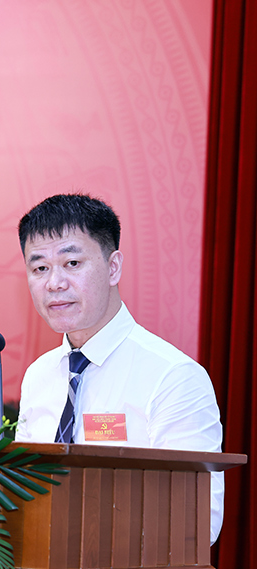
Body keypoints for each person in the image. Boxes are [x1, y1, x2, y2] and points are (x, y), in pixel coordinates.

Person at [14, 193, 224, 544]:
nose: (55, 283)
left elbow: (199, 521)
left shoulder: (173, 377)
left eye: (72, 263)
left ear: (113, 268)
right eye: (40, 269)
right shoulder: (39, 375)